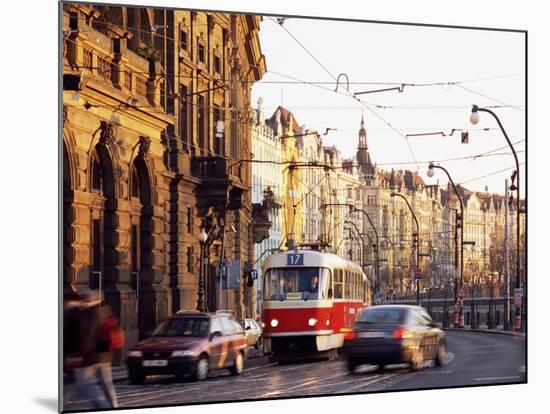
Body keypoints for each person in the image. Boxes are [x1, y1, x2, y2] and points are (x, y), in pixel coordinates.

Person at [70, 291, 119, 409]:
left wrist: (81, 354)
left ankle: (103, 406)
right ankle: (114, 406)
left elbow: (88, 336)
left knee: (83, 385)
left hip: (92, 356)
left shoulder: (91, 313)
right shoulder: (106, 311)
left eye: (87, 299)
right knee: (107, 384)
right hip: (106, 355)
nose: (85, 301)